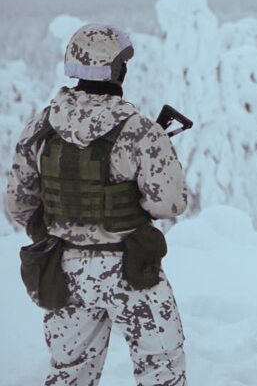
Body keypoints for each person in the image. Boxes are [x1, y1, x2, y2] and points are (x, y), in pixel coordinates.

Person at [5, 23, 189, 386]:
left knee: (70, 374)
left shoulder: (40, 127)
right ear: (119, 69)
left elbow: (17, 204)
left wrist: (62, 224)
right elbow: (169, 204)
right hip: (131, 269)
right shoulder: (139, 130)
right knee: (161, 369)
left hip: (64, 268)